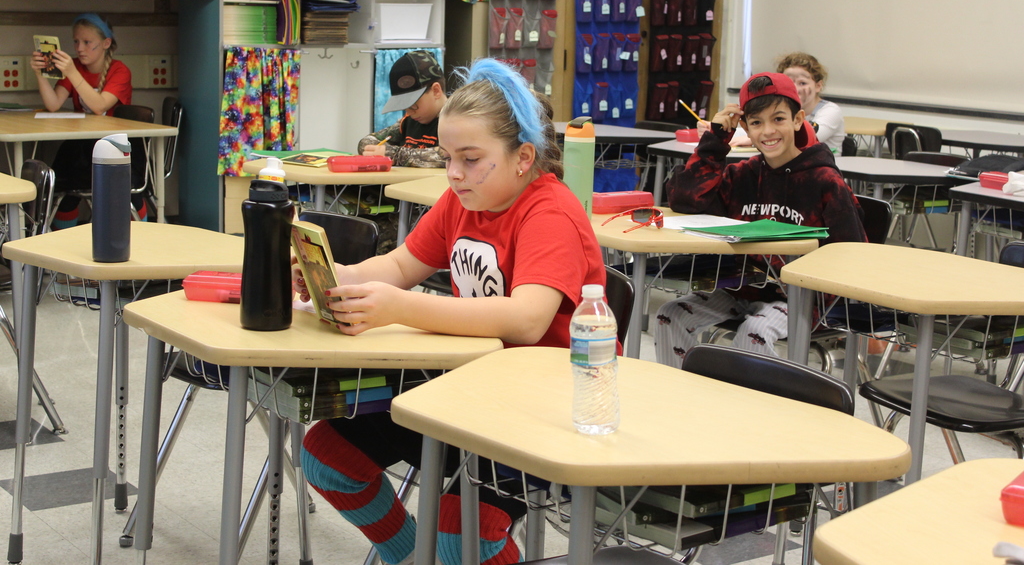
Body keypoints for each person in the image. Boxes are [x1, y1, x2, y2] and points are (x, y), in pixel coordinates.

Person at [298, 58, 605, 565]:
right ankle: (409, 559)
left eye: (469, 157)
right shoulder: (463, 198)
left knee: (461, 531)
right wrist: (330, 274)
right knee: (329, 457)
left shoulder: (550, 212)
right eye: (446, 157)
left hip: (549, 405)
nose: (454, 173)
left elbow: (528, 320)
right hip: (469, 386)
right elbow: (399, 265)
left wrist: (400, 309)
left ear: (523, 157)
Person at [653, 72, 866, 365]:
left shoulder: (823, 179)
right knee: (669, 315)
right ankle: (685, 404)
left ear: (798, 119)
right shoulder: (744, 174)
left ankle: (751, 409)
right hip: (741, 288)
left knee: (755, 331)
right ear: (745, 128)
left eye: (778, 119)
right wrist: (716, 139)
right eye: (756, 122)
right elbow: (686, 200)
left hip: (801, 299)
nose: (768, 131)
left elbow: (852, 250)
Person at [29, 13, 144, 227]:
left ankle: (140, 230)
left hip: (118, 146)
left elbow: (99, 106)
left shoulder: (119, 71)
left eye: (87, 42)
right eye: (76, 41)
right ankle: (62, 241)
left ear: (105, 44)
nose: (79, 48)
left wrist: (72, 73)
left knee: (126, 191)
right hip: (83, 144)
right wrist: (40, 74)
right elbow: (54, 104)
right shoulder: (74, 67)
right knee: (60, 185)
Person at [358, 50, 448, 168]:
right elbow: (366, 142)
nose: (409, 112)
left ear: (436, 91)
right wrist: (376, 150)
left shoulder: (455, 120)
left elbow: (450, 154)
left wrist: (396, 155)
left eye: (413, 104)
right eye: (405, 106)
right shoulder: (408, 122)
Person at [777, 51, 845, 153]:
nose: (795, 89)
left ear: (818, 86)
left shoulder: (831, 111)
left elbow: (805, 140)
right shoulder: (779, 109)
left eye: (802, 83)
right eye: (788, 83)